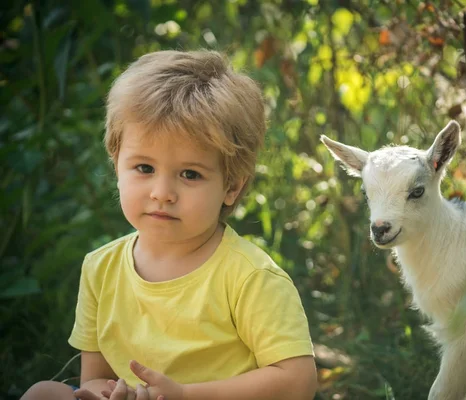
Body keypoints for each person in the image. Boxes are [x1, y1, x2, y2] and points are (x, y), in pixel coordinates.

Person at [21, 49, 317, 400]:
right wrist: (105, 393)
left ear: (232, 185)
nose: (162, 193)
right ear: (117, 164)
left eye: (190, 174)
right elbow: (95, 378)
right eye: (144, 168)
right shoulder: (101, 268)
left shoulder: (249, 277)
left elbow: (298, 381)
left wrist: (184, 395)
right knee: (44, 393)